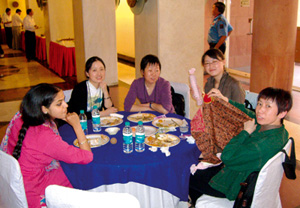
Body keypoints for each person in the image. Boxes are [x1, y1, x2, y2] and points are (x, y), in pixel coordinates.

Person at [189, 87, 292, 205]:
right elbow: (247, 113)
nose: (260, 110)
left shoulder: (262, 146)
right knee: (199, 162)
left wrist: (245, 132)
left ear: (283, 112)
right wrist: (225, 100)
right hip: (239, 170)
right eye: (259, 104)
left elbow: (227, 157)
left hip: (233, 183)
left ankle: (197, 201)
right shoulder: (279, 130)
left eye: (268, 106)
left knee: (187, 175)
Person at [0, 83, 93, 208]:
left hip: (16, 180)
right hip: (34, 189)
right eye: (59, 103)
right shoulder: (45, 136)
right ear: (44, 109)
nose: (66, 105)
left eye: (64, 101)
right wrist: (77, 126)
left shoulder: (20, 116)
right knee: (78, 172)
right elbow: (87, 156)